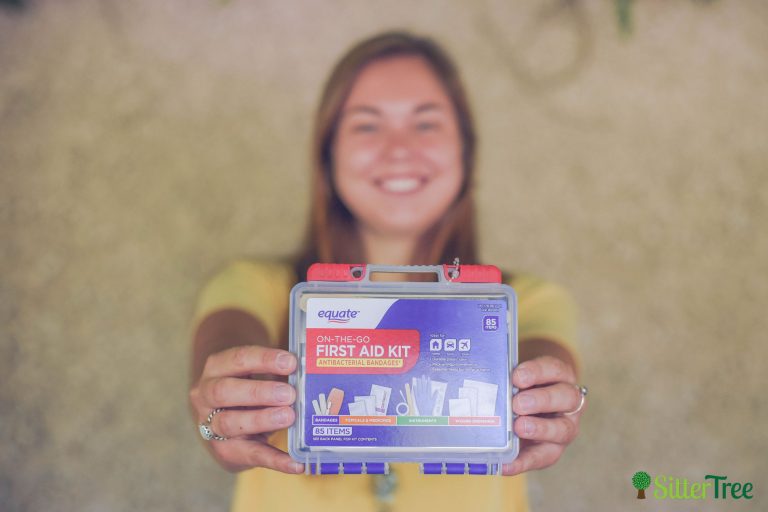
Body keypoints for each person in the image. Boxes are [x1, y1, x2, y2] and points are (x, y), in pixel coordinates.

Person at [188, 31, 586, 512]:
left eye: (426, 124)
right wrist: (217, 414)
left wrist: (548, 403)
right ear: (327, 153)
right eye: (367, 126)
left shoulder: (531, 300)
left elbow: (544, 366)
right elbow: (224, 350)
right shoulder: (254, 286)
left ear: (466, 150)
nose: (399, 149)